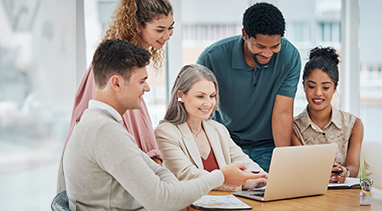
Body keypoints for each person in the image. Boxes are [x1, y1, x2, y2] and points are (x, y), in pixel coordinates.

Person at [63, 39, 264, 211]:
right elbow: (162, 200)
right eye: (142, 81)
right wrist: (220, 176)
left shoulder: (99, 123)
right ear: (116, 83)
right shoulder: (104, 131)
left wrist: (166, 186)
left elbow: (160, 174)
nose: (147, 88)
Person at [58, 0, 174, 193]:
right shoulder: (117, 67)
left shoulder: (133, 65)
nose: (167, 36)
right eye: (160, 30)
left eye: (170, 28)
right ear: (139, 25)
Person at [196, 2, 301, 172]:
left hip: (267, 148)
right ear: (245, 34)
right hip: (225, 146)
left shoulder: (289, 57)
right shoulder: (212, 58)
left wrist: (284, 163)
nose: (267, 53)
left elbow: (282, 113)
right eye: (260, 46)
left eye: (274, 46)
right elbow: (199, 111)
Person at [155, 64, 269, 192]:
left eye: (212, 96)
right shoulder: (164, 133)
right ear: (180, 96)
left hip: (224, 203)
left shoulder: (218, 129)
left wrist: (262, 176)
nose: (208, 103)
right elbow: (187, 175)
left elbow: (243, 161)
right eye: (200, 96)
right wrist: (241, 184)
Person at [290, 46, 371, 183]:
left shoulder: (354, 124)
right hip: (309, 194)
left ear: (335, 87)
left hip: (343, 196)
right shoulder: (293, 127)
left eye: (326, 87)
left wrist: (346, 171)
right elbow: (301, 168)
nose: (318, 93)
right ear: (303, 86)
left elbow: (354, 166)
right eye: (311, 86)